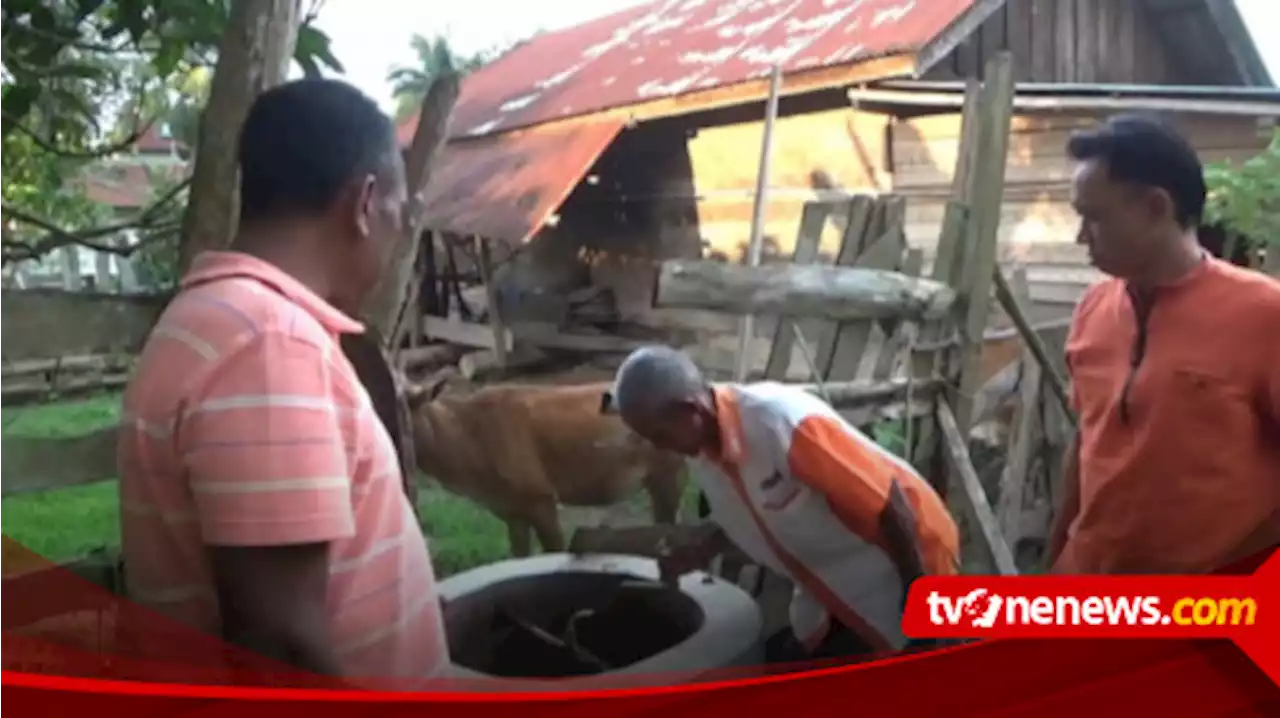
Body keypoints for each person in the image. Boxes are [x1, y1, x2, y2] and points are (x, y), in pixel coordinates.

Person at [117, 78, 447, 688]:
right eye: (400, 215)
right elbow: (280, 648)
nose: (396, 235)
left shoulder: (218, 320)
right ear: (365, 203)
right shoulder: (268, 344)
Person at [603, 346, 959, 661]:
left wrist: (920, 598)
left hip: (906, 562)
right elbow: (757, 511)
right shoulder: (701, 447)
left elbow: (890, 504)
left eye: (660, 435)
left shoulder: (781, 423)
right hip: (834, 581)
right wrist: (702, 550)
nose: (658, 447)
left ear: (690, 409)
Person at [1047, 114, 1280, 575]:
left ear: (1156, 207)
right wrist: (1056, 559)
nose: (1080, 238)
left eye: (1094, 218)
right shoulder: (1092, 308)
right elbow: (1088, 440)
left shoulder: (1264, 315)